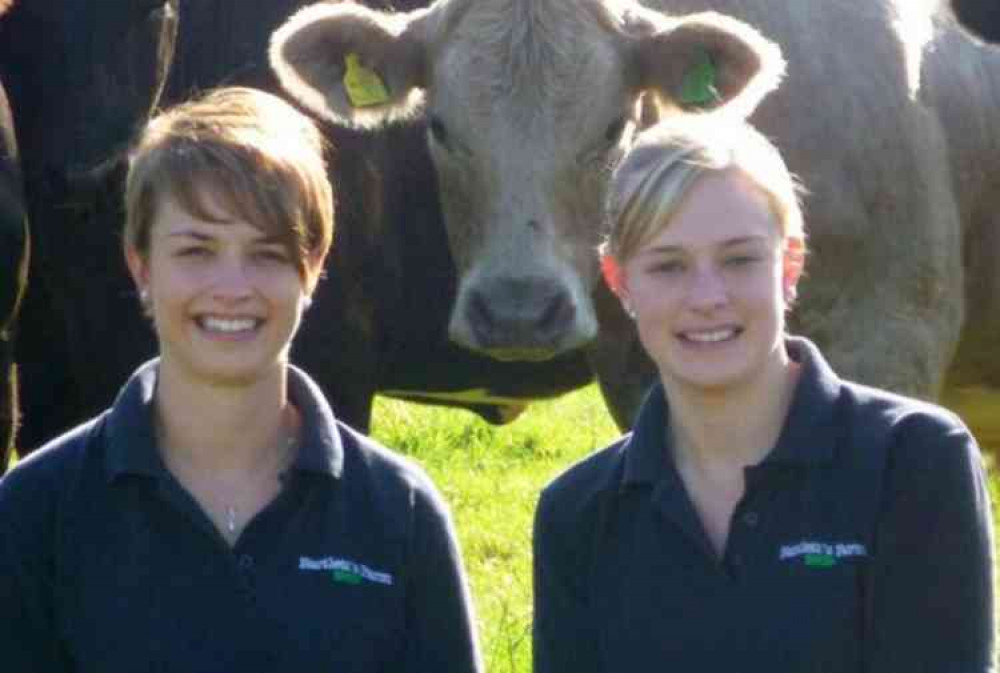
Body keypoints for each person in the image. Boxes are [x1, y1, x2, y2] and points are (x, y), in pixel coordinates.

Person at [0, 86, 482, 673]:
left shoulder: (399, 511)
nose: (232, 286)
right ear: (140, 263)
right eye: (197, 250)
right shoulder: (36, 511)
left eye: (267, 253)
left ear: (313, 269)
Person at [533, 118, 996, 672]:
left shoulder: (914, 460)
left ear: (790, 265)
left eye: (739, 259)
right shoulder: (578, 512)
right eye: (669, 265)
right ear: (620, 281)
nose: (707, 296)